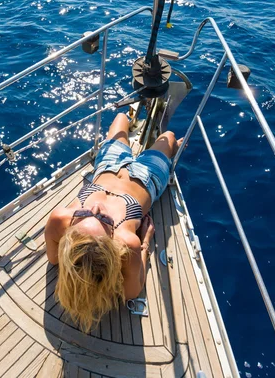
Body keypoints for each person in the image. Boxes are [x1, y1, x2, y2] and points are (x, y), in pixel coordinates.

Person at [44, 113, 182, 333]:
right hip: (147, 177)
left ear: (69, 233)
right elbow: (132, 292)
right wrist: (145, 241)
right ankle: (168, 149)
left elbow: (53, 258)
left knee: (121, 119)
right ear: (112, 241)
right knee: (170, 136)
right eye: (105, 220)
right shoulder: (127, 242)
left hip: (109, 166)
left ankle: (137, 116)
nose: (97, 209)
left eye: (85, 214)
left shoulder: (60, 218)